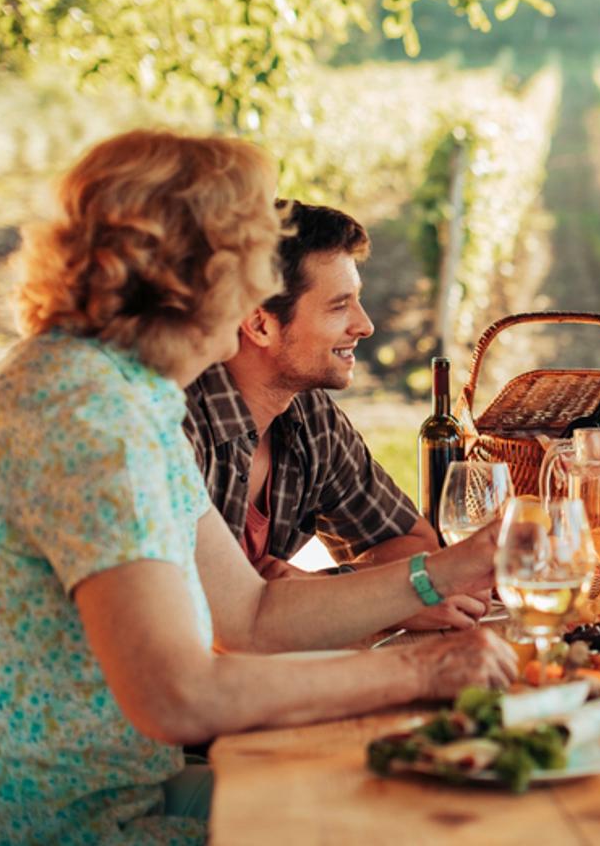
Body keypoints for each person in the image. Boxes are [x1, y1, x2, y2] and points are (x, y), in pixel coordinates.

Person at [0, 130, 519, 845]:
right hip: (57, 823)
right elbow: (180, 696)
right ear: (200, 271)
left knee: (416, 795)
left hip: (121, 787)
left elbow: (250, 618)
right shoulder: (90, 415)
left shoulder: (123, 392)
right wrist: (422, 671)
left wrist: (449, 568)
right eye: (256, 251)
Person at [183, 200, 483, 629]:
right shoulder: (177, 426)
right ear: (261, 325)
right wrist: (388, 597)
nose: (365, 325)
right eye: (339, 305)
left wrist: (323, 588)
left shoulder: (308, 415)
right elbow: (192, 617)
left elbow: (414, 543)